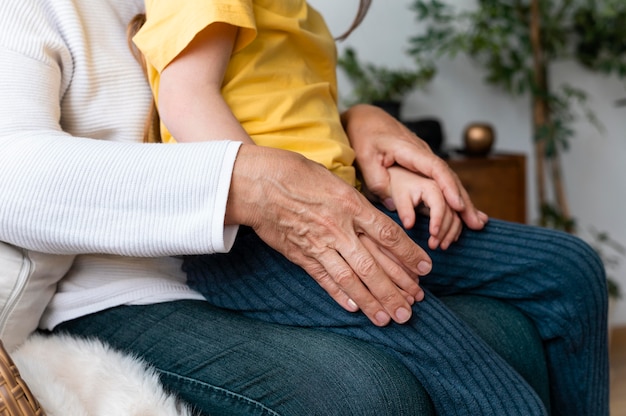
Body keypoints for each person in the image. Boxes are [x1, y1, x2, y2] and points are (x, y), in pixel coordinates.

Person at [0, 1, 608, 416]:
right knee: (369, 392)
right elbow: (14, 172)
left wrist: (357, 123)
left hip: (238, 247)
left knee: (527, 310)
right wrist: (253, 184)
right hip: (124, 287)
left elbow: (265, 97)